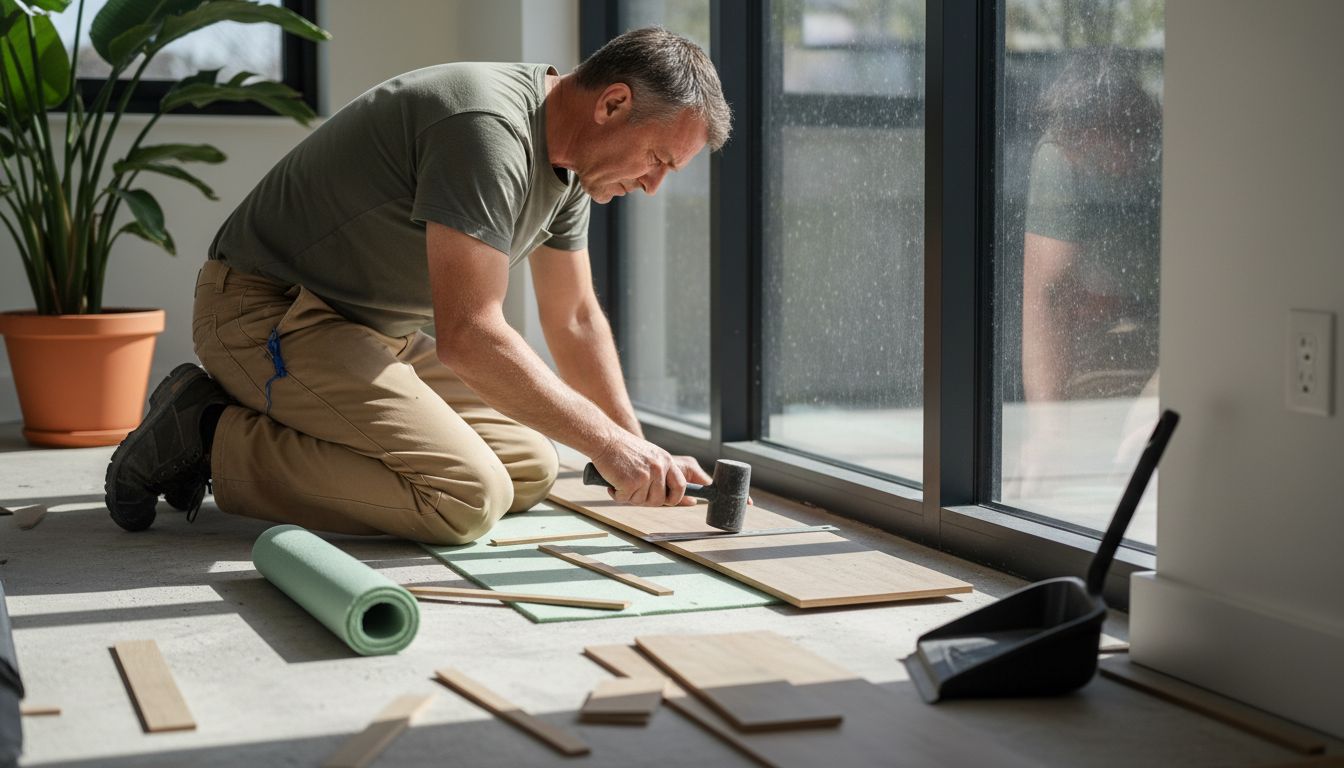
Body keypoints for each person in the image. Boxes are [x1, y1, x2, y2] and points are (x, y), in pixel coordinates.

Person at [104, 27, 732, 544]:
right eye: (658, 161)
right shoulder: (487, 127)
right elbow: (469, 334)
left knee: (533, 467)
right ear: (614, 103)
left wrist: (632, 449)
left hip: (373, 335)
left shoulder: (572, 165)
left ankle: (288, 426)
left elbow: (573, 320)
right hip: (263, 313)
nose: (654, 186)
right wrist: (609, 446)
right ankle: (208, 432)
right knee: (466, 497)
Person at [1014, 48, 1162, 497]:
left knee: (1150, 441)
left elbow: (1215, 296)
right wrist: (1048, 432)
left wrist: (1162, 397)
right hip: (1111, 331)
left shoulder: (1177, 152)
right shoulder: (1060, 154)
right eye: (1087, 155)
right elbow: (1046, 295)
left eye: (1109, 149)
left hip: (1190, 324)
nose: (1103, 166)